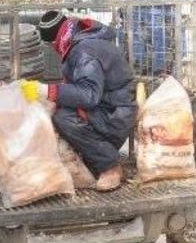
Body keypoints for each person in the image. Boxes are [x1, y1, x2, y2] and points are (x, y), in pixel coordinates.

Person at [21, 10, 137, 191]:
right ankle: (94, 158)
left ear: (55, 41)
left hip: (115, 113)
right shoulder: (82, 42)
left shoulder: (84, 52)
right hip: (110, 106)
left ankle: (110, 166)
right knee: (59, 112)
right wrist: (53, 99)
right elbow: (79, 84)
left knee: (64, 118)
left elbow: (89, 95)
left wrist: (47, 91)